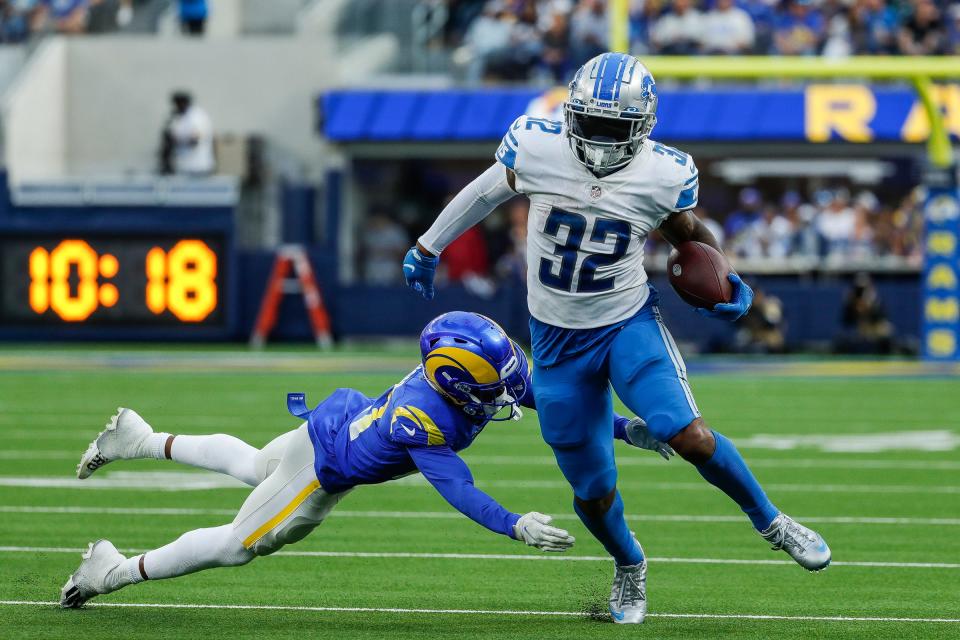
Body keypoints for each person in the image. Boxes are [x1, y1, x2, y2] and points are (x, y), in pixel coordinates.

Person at [403, 52, 831, 624]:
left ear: (644, 126)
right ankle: (629, 565)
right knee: (594, 491)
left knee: (688, 434)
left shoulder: (664, 172)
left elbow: (687, 232)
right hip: (554, 344)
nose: (602, 142)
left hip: (626, 322)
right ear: (572, 114)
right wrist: (429, 244)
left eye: (616, 130)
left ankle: (772, 521)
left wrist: (723, 276)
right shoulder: (536, 145)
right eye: (593, 125)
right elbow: (485, 192)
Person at [60, 311, 670, 609]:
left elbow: (535, 395)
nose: (507, 392)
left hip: (332, 423)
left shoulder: (463, 375)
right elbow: (456, 487)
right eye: (493, 386)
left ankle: (139, 439)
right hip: (324, 468)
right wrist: (512, 523)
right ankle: (113, 570)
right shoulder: (423, 417)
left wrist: (622, 429)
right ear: (457, 382)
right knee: (237, 544)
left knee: (250, 464)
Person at [160, 91, 215, 177]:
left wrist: (178, 141)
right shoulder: (178, 117)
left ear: (183, 103)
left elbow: (194, 140)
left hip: (198, 167)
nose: (175, 107)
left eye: (177, 104)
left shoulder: (197, 116)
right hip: (184, 166)